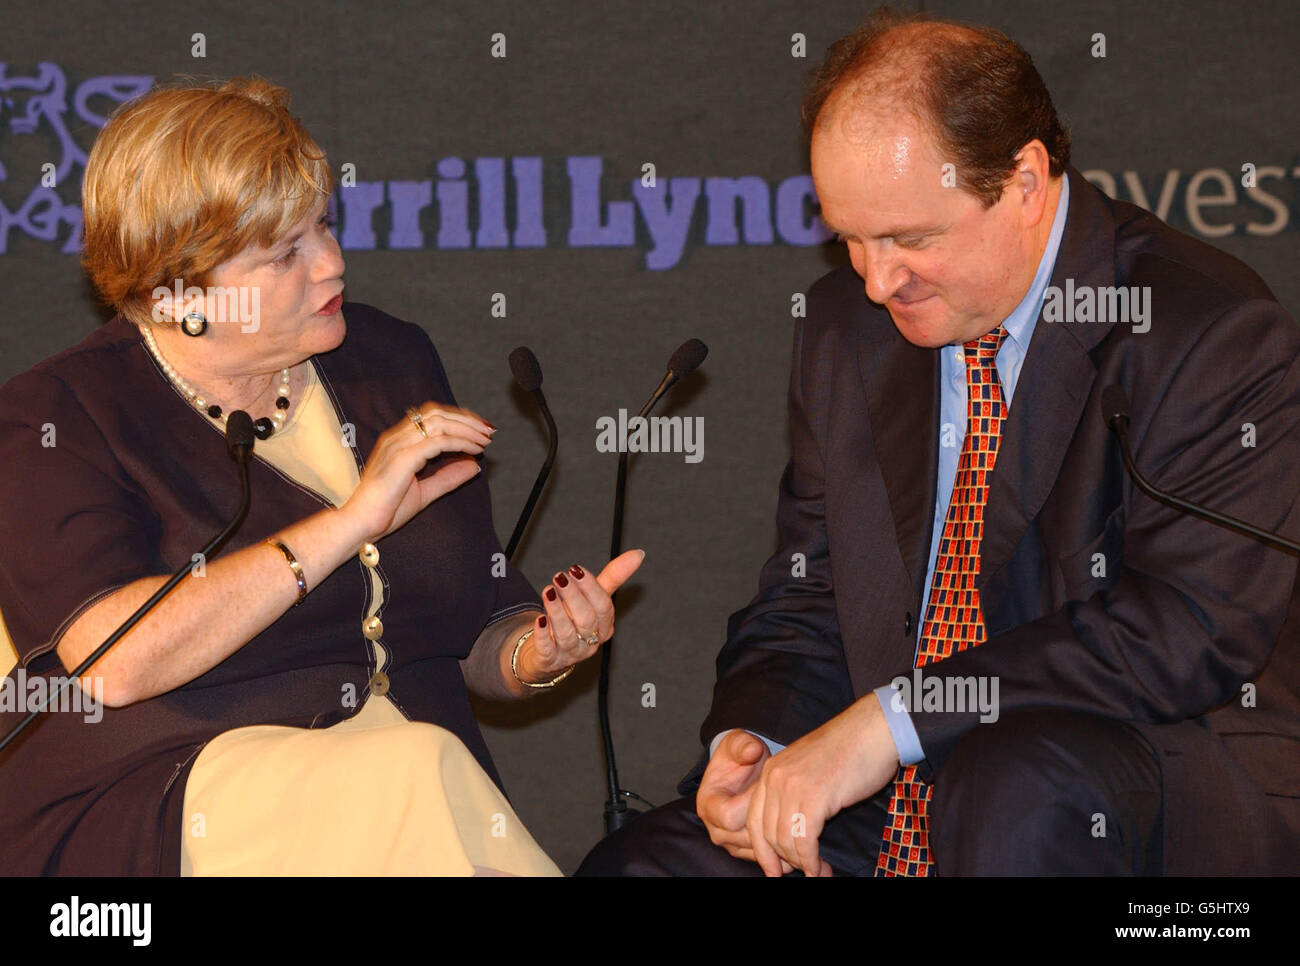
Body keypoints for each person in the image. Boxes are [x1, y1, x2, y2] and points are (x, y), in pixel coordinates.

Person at [578, 7, 1300, 876]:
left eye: (910, 239)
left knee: (1012, 790)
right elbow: (809, 595)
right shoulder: (848, 330)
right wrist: (756, 736)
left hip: (1133, 775)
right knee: (651, 864)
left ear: (1026, 181)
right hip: (898, 785)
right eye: (850, 239)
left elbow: (1183, 630)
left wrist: (890, 722)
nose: (878, 280)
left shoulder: (1202, 329)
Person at [0, 75, 643, 876]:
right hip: (168, 798)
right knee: (409, 772)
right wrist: (352, 520)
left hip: (409, 784)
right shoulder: (58, 417)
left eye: (325, 226)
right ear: (184, 291)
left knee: (416, 766)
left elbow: (469, 619)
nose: (333, 264)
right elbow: (116, 659)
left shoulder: (389, 359)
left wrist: (533, 652)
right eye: (285, 254)